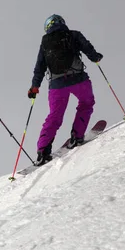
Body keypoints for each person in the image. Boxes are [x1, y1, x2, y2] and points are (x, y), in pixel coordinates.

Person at [28, 14, 103, 165]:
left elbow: (40, 67)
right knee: (86, 103)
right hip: (78, 79)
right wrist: (95, 57)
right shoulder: (73, 34)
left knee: (54, 116)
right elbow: (87, 47)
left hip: (57, 85)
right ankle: (77, 135)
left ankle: (42, 150)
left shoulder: (45, 43)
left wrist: (35, 86)